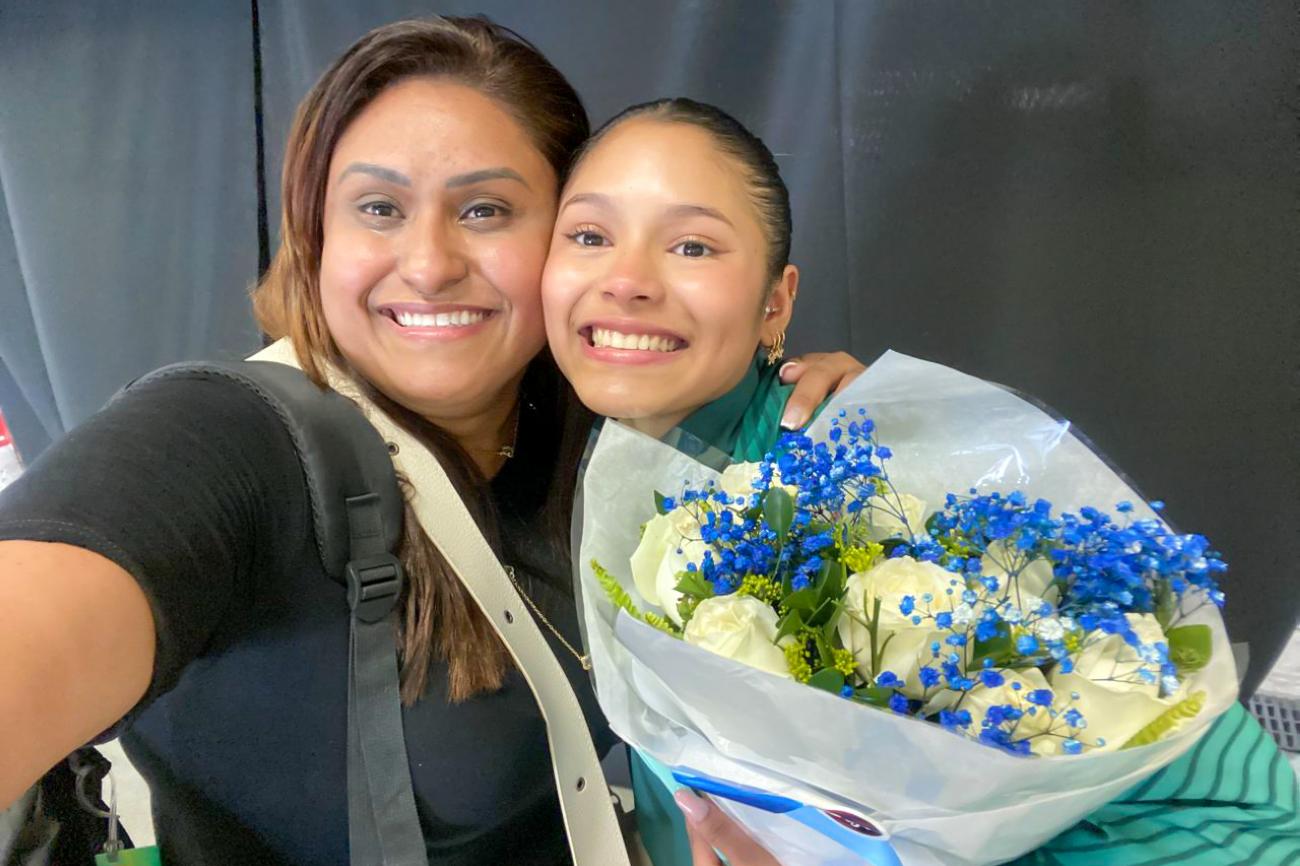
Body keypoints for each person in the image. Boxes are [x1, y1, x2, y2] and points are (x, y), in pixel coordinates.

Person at [0, 18, 864, 865]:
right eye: (378, 208)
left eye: (485, 210)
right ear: (315, 236)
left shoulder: (591, 438)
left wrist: (826, 413)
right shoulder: (225, 441)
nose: (427, 264)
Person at [541, 97, 1300, 866]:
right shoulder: (575, 457)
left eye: (693, 247)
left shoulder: (888, 491)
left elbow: (1224, 808)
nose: (627, 279)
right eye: (590, 235)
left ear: (777, 301)